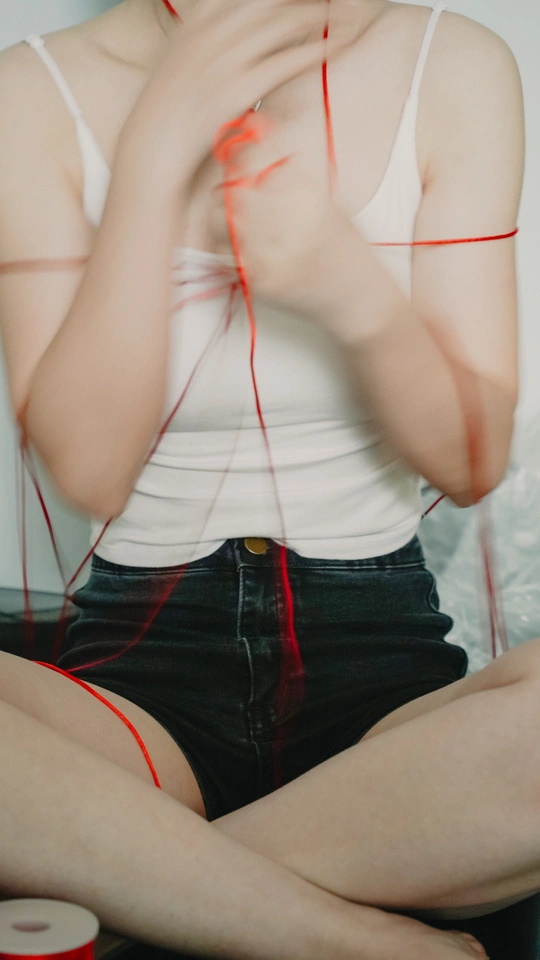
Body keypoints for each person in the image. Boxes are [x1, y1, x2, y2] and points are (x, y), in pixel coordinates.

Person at [0, 0, 530, 957]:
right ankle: (337, 936)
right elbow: (89, 470)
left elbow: (471, 462)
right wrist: (153, 156)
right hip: (137, 704)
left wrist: (351, 290)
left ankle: (142, 879)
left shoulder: (454, 62)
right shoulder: (33, 88)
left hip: (387, 710)